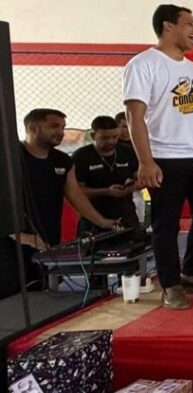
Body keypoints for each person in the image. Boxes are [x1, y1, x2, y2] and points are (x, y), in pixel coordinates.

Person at [124, 4, 193, 310]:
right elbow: (134, 116)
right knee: (166, 223)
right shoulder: (143, 64)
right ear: (168, 26)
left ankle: (191, 271)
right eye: (189, 24)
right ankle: (170, 285)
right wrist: (146, 161)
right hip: (164, 158)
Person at [14, 109, 118, 289]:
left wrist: (102, 222)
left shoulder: (62, 160)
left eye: (63, 127)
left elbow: (76, 196)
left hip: (47, 240)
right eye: (54, 126)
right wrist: (22, 237)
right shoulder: (11, 156)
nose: (60, 132)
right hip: (13, 244)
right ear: (32, 128)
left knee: (45, 288)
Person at [72, 115, 141, 236]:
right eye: (105, 138)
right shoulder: (81, 156)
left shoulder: (127, 151)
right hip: (93, 217)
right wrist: (106, 191)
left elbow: (141, 178)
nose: (111, 141)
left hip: (126, 214)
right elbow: (76, 190)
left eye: (115, 137)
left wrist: (131, 188)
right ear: (93, 135)